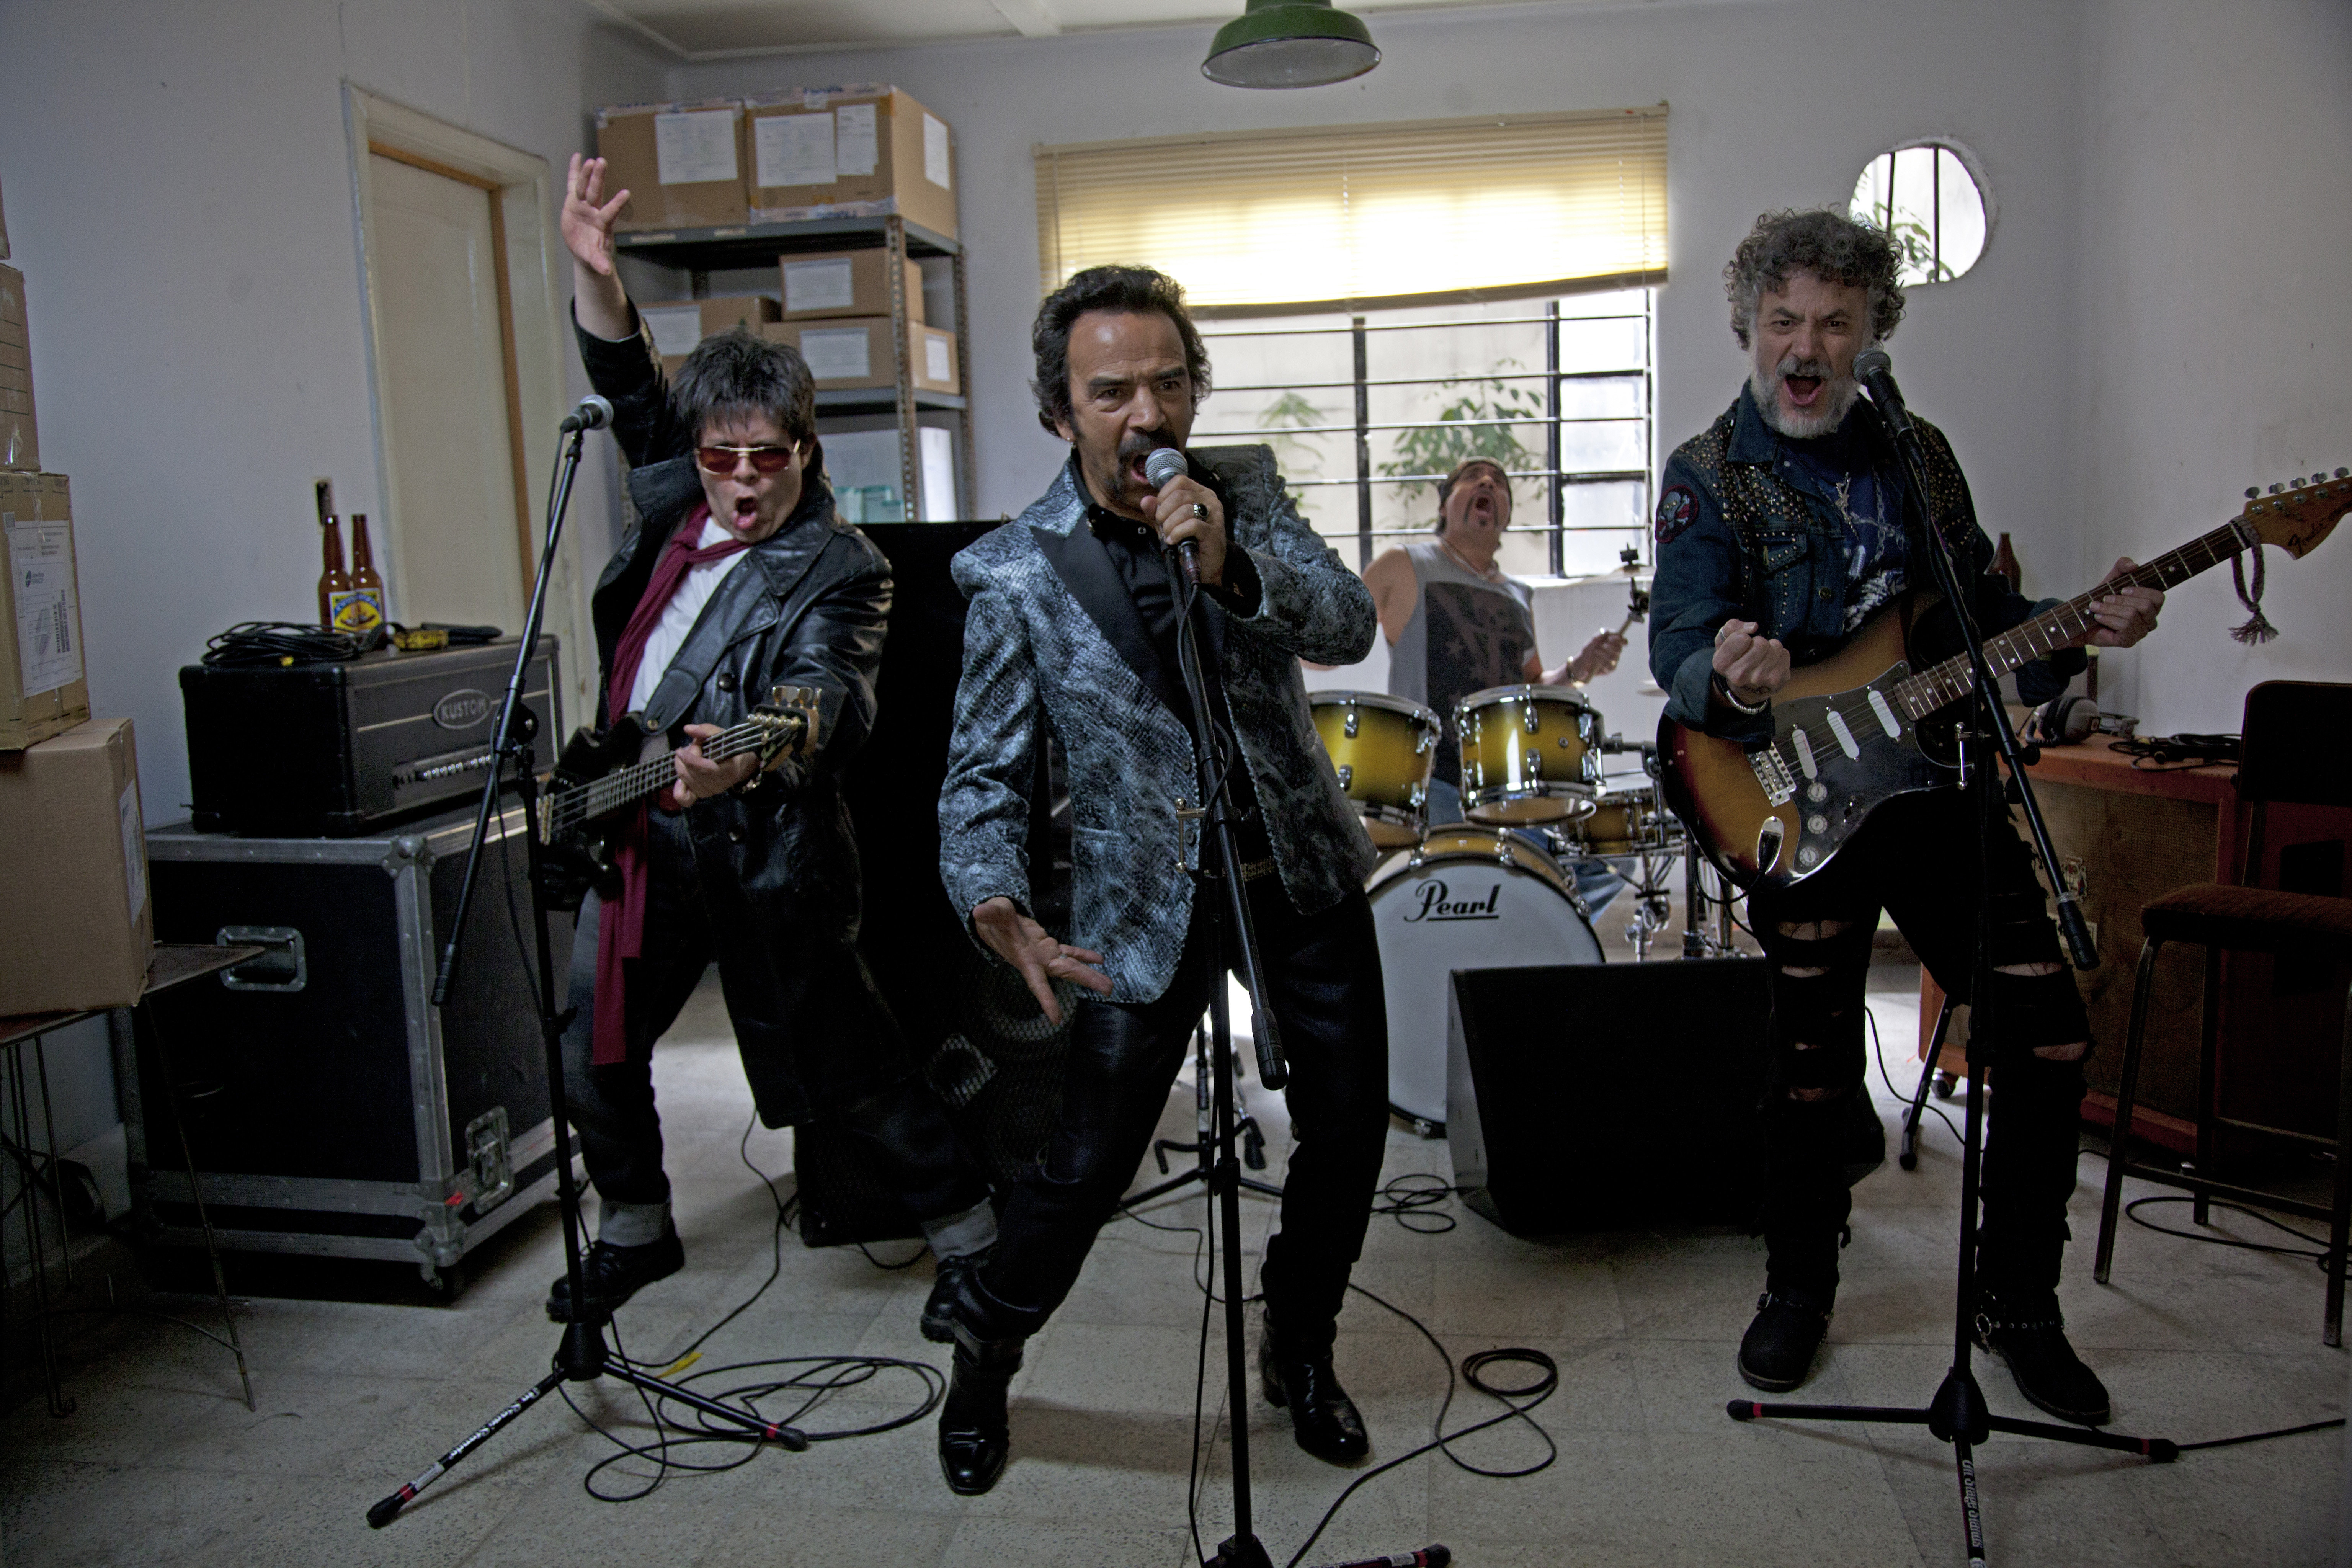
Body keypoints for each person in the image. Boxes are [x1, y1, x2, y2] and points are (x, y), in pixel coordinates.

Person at [1648, 208, 2163, 1423]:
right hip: (1792, 787)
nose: (1803, 346)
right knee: (1810, 1067)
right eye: (1782, 321)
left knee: (2047, 1041)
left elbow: (1974, 622)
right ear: (1747, 329)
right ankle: (1797, 1287)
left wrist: (2077, 630)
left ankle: (2015, 1303)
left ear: (1871, 332)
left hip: (1934, 789)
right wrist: (1728, 676)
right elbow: (1679, 638)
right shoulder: (1706, 471)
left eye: (1833, 321)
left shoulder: (1915, 454)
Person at [934, 265, 1392, 1496]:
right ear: (1060, 410)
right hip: (1140, 908)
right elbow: (979, 780)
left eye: (1169, 380)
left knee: (1347, 1131)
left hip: (1294, 870)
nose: (1148, 412)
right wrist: (994, 902)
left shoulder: (1240, 491)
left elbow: (1346, 622)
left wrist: (1234, 566)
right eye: (1112, 389)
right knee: (1084, 1164)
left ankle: (1297, 1345)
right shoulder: (1014, 571)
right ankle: (985, 1343)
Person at [546, 154, 994, 1336]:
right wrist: (595, 274)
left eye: (767, 456)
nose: (742, 481)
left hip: (761, 846)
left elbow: (827, 698)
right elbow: (633, 386)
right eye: (720, 456)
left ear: (805, 450)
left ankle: (968, 1238)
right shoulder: (669, 515)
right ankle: (633, 1227)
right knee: (591, 1052)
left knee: (850, 1069)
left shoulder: (841, 567)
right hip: (634, 830)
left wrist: (739, 751)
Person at [1361, 457, 1631, 908]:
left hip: (1514, 783)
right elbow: (1329, 638)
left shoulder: (1518, 595)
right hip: (1435, 780)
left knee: (1612, 860)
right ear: (1444, 505)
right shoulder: (1405, 564)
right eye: (1472, 477)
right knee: (1476, 884)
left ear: (1505, 515)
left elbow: (1533, 686)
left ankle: (1540, 947)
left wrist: (1580, 666)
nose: (1488, 482)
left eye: (1500, 483)